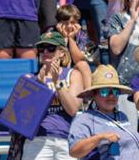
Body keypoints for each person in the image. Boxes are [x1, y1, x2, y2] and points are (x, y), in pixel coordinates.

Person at [7, 31, 83, 160]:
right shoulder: (29, 78)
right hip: (37, 139)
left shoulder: (73, 74)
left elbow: (72, 109)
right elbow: (18, 118)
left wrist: (57, 83)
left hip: (66, 139)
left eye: (51, 48)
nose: (45, 52)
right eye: (42, 48)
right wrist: (38, 86)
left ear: (62, 52)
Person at [68, 65, 139, 159]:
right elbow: (74, 152)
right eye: (105, 91)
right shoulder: (84, 119)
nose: (111, 96)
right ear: (94, 94)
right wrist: (100, 138)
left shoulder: (122, 116)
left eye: (115, 92)